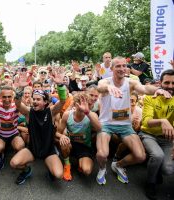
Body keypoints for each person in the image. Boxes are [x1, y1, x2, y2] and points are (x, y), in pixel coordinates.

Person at [95, 56, 171, 185]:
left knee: (140, 156)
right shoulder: (106, 82)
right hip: (106, 123)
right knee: (102, 154)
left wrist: (158, 89)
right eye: (118, 66)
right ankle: (102, 168)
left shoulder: (131, 83)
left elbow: (145, 89)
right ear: (112, 68)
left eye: (124, 65)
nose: (122, 68)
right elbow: (100, 87)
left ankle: (118, 165)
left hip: (125, 124)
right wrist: (109, 88)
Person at [10, 68, 66, 185]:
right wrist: (20, 88)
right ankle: (26, 171)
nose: (35, 101)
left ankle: (50, 168)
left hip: (48, 151)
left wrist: (60, 85)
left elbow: (62, 101)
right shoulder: (29, 112)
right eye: (34, 99)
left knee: (58, 175)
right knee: (14, 163)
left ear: (45, 102)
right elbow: (17, 104)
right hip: (32, 150)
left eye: (38, 99)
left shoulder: (50, 112)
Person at [139, 69, 174, 200]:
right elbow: (147, 122)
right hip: (148, 134)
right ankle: (150, 182)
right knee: (157, 156)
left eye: (173, 83)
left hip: (167, 139)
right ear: (160, 83)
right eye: (167, 82)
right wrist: (162, 121)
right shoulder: (150, 97)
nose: (170, 86)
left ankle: (157, 169)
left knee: (168, 170)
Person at [0, 71, 25, 170]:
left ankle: (16, 154)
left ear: (12, 97)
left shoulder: (16, 105)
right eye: (4, 97)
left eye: (9, 97)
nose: (7, 99)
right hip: (0, 135)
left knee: (20, 146)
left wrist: (21, 88)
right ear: (1, 97)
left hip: (14, 134)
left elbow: (19, 102)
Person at [57, 92, 101, 181]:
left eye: (85, 104)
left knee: (87, 171)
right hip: (71, 144)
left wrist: (87, 112)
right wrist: (61, 136)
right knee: (64, 142)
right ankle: (67, 164)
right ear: (75, 104)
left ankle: (80, 162)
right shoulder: (67, 115)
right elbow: (57, 132)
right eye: (79, 103)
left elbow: (99, 129)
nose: (82, 106)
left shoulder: (91, 115)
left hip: (84, 146)